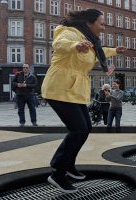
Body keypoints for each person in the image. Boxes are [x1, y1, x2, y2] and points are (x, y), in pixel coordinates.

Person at [41, 9, 126, 193]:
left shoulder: (91, 40)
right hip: (59, 88)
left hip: (75, 90)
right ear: (89, 22)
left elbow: (99, 52)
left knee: (86, 127)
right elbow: (60, 43)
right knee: (78, 129)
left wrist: (115, 51)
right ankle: (57, 174)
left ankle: (66, 164)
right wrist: (75, 45)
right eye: (101, 23)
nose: (103, 27)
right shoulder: (70, 32)